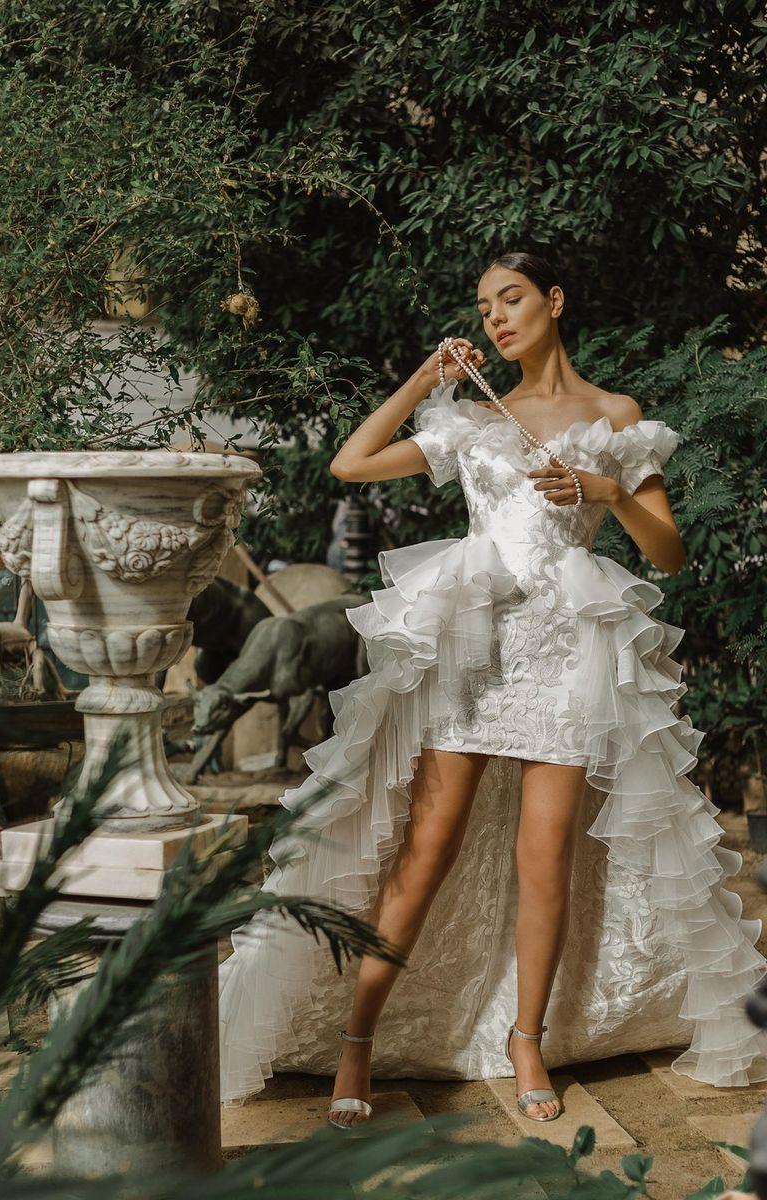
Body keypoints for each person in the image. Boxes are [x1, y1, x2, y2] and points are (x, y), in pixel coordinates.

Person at [218, 251, 767, 1127]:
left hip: (565, 653)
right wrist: (421, 376)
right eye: (483, 305)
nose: (497, 317)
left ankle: (526, 1039)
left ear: (553, 300)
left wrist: (605, 490)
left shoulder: (614, 417)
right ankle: (356, 1044)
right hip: (473, 649)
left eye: (510, 298)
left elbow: (665, 550)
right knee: (423, 851)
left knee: (545, 861)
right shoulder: (473, 416)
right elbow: (350, 466)